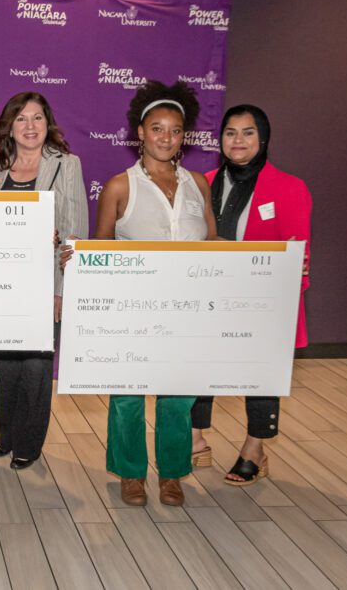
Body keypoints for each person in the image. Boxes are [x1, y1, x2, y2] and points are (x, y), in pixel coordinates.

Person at [92, 80, 216, 507]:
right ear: (140, 132)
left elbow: (214, 245)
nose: (166, 137)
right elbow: (100, 251)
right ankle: (131, 472)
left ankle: (172, 473)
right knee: (128, 396)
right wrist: (78, 258)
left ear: (185, 136)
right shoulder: (119, 187)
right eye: (158, 128)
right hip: (133, 312)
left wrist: (269, 262)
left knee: (178, 397)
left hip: (188, 312)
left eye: (175, 130)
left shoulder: (198, 184)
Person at [190, 104, 312, 485]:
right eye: (230, 132)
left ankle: (254, 449)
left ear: (263, 138)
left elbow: (297, 256)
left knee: (260, 375)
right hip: (209, 296)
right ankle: (195, 440)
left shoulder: (289, 187)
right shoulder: (202, 182)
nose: (237, 140)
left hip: (263, 303)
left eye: (247, 132)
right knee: (198, 365)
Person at [0, 92, 87, 469]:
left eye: (37, 118)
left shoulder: (67, 165)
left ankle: (28, 443)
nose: (30, 126)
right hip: (1, 286)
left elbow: (74, 235)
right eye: (21, 119)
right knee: (6, 366)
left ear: (48, 124)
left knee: (35, 367)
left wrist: (61, 291)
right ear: (10, 126)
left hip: (45, 286)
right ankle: (6, 435)